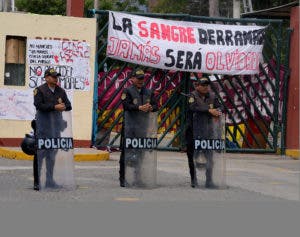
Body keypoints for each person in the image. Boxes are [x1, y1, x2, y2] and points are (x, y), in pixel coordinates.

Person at [33, 68, 72, 190]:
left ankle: (50, 181)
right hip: (43, 128)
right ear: (46, 78)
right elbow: (39, 105)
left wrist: (63, 106)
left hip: (55, 128)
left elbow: (69, 106)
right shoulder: (39, 90)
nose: (56, 79)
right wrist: (54, 107)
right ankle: (37, 181)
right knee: (40, 155)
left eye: (57, 77)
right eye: (53, 76)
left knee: (51, 155)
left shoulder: (61, 91)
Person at [119, 69, 158, 187]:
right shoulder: (127, 91)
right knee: (126, 152)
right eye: (139, 78)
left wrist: (151, 107)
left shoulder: (149, 92)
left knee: (140, 153)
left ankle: (137, 178)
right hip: (130, 127)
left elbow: (156, 105)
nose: (141, 81)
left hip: (143, 127)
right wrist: (139, 107)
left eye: (142, 78)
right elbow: (126, 106)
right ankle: (123, 178)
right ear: (132, 79)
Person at [185, 76, 222, 188]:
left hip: (208, 130)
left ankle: (209, 180)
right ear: (198, 86)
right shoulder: (192, 96)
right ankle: (193, 179)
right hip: (193, 131)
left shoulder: (212, 96)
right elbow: (192, 107)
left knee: (209, 156)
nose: (205, 88)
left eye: (207, 85)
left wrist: (217, 112)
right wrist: (209, 110)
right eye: (203, 85)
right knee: (192, 156)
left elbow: (220, 107)